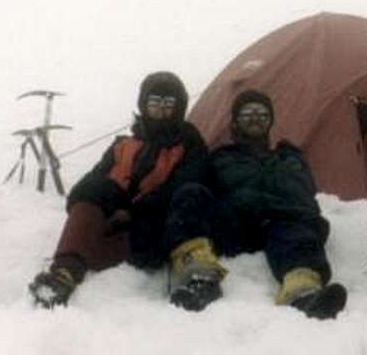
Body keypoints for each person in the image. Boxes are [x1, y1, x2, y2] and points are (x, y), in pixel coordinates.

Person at [28, 71, 225, 310]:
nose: (161, 110)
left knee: (190, 194)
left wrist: (134, 210)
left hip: (155, 228)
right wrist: (114, 204)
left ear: (179, 107)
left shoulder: (190, 144)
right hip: (116, 223)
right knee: (93, 187)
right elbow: (85, 187)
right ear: (144, 104)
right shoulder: (122, 146)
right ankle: (63, 274)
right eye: (155, 102)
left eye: (169, 104)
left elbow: (185, 184)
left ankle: (198, 281)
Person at [197, 90, 347, 319]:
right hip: (237, 227)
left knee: (295, 231)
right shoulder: (220, 158)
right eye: (247, 113)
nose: (255, 118)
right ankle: (199, 283)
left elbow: (303, 195)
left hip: (280, 224)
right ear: (235, 121)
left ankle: (304, 294)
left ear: (271, 121)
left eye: (262, 114)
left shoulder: (288, 157)